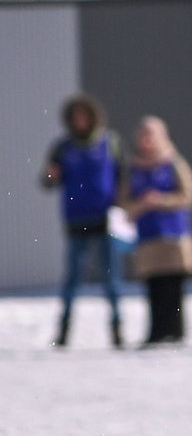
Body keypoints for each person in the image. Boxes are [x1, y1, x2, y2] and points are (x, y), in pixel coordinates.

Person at [42, 94, 123, 349]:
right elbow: (47, 180)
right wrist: (50, 176)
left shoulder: (110, 141)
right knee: (72, 281)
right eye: (75, 116)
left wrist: (122, 209)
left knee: (111, 280)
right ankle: (64, 332)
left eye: (84, 115)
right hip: (76, 222)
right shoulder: (62, 147)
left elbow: (123, 176)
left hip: (105, 220)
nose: (80, 120)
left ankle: (117, 331)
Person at [121, 117, 192, 345]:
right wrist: (141, 205)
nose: (146, 141)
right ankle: (156, 333)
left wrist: (160, 200)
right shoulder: (134, 167)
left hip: (174, 236)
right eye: (142, 135)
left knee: (173, 288)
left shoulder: (173, 162)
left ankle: (175, 333)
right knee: (154, 288)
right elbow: (123, 201)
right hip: (148, 236)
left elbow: (189, 194)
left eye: (151, 135)